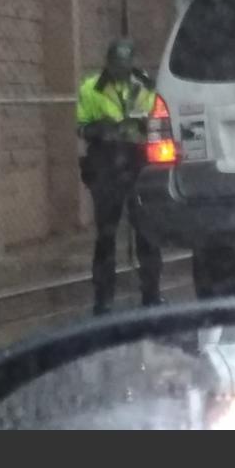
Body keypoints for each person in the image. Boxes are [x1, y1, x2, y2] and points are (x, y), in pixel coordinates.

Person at [77, 38, 164, 316]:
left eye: (125, 64)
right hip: (106, 162)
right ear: (108, 63)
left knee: (147, 232)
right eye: (115, 64)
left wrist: (140, 129)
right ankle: (103, 300)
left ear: (132, 63)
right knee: (106, 234)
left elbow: (157, 119)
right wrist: (101, 130)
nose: (120, 70)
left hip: (139, 160)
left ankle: (151, 295)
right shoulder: (91, 88)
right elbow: (81, 126)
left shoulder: (145, 85)